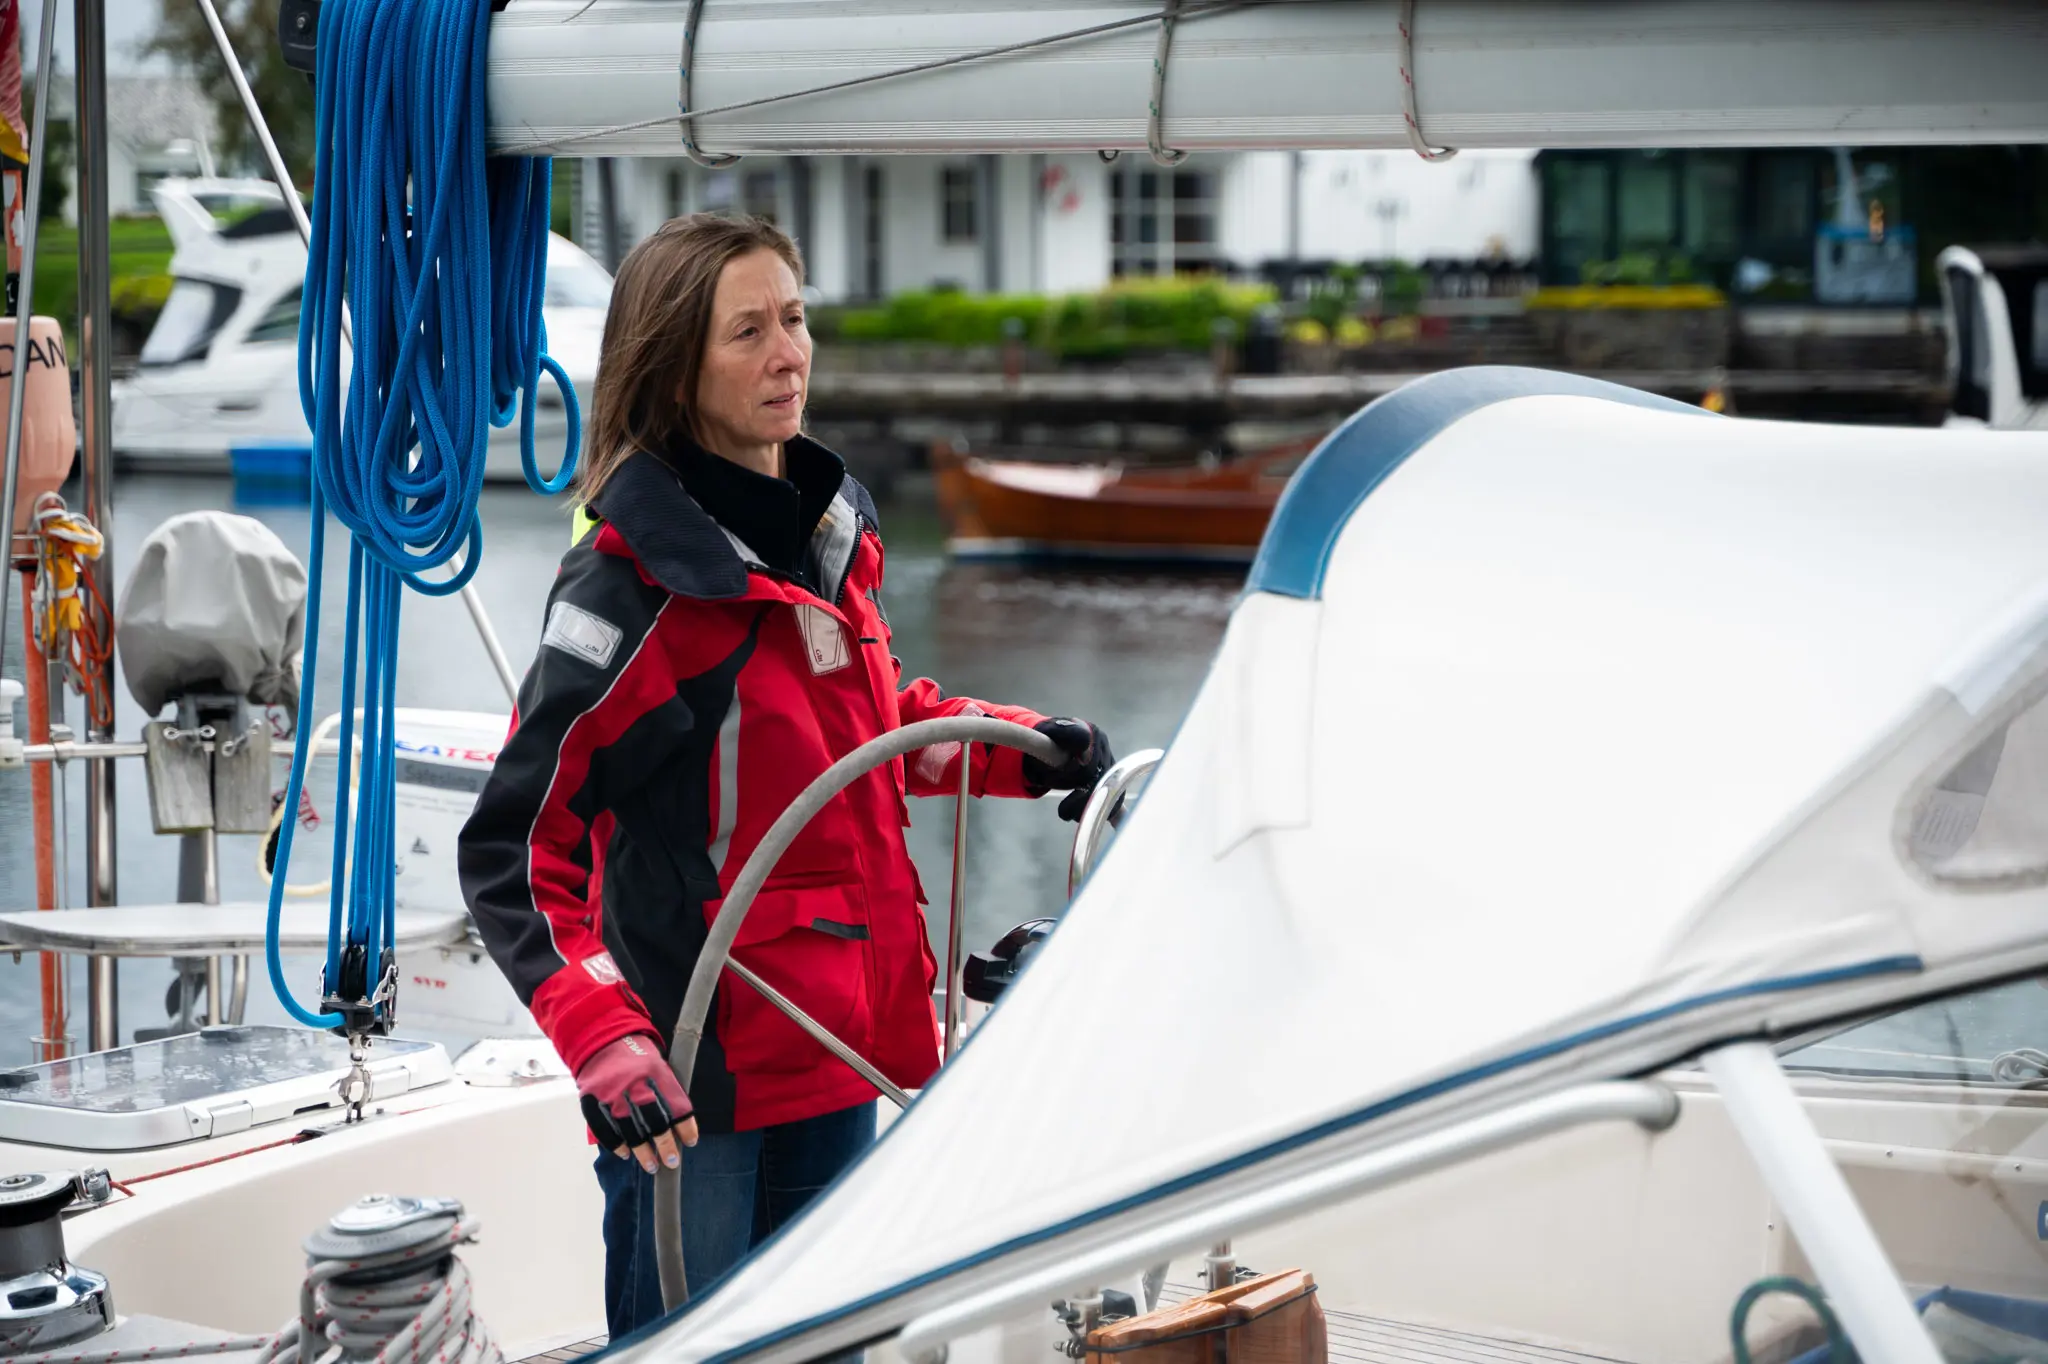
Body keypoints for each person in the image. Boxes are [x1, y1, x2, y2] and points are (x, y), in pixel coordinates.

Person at [457, 214, 1118, 1338]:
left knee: (834, 1346)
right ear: (674, 367)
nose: (788, 355)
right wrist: (604, 1037)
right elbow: (515, 848)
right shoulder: (634, 591)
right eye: (748, 332)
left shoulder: (830, 532)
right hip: (696, 1089)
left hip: (844, 1050)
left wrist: (1021, 747)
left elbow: (870, 724)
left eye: (795, 319)